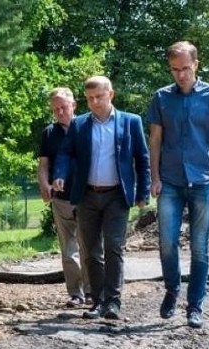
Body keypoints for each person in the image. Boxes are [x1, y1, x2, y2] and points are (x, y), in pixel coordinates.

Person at [147, 41, 209, 329]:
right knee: (166, 244)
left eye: (185, 68)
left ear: (196, 65)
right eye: (175, 70)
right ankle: (173, 289)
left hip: (203, 180)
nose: (181, 75)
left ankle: (195, 305)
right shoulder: (161, 98)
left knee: (200, 247)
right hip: (171, 181)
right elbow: (156, 140)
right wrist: (155, 177)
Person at [53, 76, 150, 320]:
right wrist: (60, 175)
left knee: (114, 247)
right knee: (91, 251)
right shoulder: (79, 125)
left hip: (117, 195)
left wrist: (143, 192)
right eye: (90, 98)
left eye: (99, 96)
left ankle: (113, 302)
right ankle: (97, 300)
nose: (95, 102)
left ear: (111, 95)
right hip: (86, 196)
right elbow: (65, 154)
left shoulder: (130, 122)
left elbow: (142, 158)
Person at [37, 87, 91, 308]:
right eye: (55, 109)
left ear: (74, 105)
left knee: (89, 246)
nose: (60, 112)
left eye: (63, 107)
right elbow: (43, 166)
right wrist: (44, 185)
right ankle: (75, 292)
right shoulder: (49, 133)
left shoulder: (88, 126)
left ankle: (92, 291)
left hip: (88, 196)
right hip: (61, 199)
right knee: (68, 248)